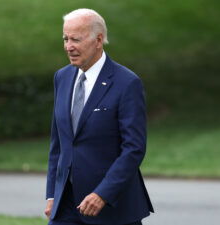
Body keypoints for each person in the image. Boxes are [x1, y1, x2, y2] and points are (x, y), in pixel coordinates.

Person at [44, 8, 154, 225]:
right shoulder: (62, 77)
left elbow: (134, 148)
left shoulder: (127, 83)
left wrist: (103, 194)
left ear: (98, 40)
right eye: (65, 39)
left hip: (112, 208)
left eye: (76, 39)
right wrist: (52, 194)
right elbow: (59, 143)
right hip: (66, 206)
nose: (69, 46)